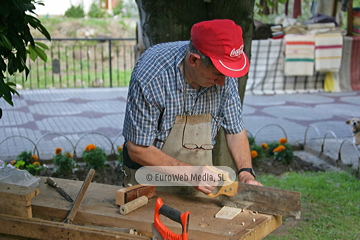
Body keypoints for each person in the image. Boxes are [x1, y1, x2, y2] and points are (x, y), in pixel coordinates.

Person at [122, 19, 262, 196]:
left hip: (199, 184)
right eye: (217, 75)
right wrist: (190, 173)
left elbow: (235, 130)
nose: (224, 82)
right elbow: (137, 148)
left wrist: (245, 174)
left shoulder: (224, 71)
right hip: (148, 182)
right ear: (194, 60)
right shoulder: (152, 75)